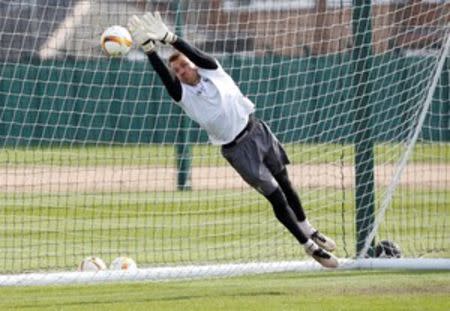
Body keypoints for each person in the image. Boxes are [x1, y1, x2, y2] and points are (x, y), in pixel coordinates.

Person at [127, 12, 338, 268]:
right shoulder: (183, 95)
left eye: (183, 65)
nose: (181, 70)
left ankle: (309, 229)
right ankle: (309, 247)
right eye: (177, 69)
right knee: (275, 197)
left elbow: (198, 55)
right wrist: (150, 51)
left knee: (284, 180)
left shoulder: (213, 71)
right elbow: (165, 77)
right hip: (236, 149)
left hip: (257, 129)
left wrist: (171, 39)